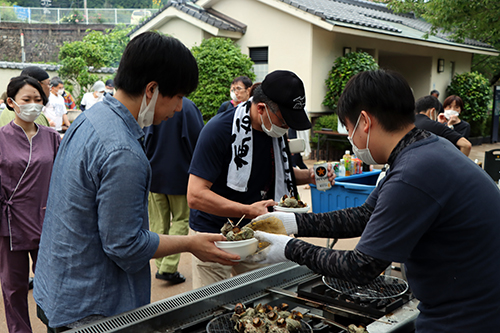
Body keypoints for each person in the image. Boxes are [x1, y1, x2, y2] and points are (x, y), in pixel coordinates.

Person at [247, 69, 500, 332]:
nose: (349, 138)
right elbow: (364, 216)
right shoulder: (425, 148)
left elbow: (361, 267)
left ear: (364, 121)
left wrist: (289, 249)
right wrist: (291, 222)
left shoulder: (413, 172)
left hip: (468, 318)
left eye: (347, 127)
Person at [33, 32, 239, 332]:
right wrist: (191, 243)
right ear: (151, 89)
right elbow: (126, 245)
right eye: (179, 97)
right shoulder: (123, 152)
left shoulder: (91, 118)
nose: (180, 108)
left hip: (58, 288)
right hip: (93, 308)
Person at [187, 70, 335, 289]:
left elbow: (277, 172)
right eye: (284, 121)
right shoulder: (219, 131)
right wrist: (247, 210)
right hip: (214, 234)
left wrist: (309, 176)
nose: (286, 128)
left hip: (257, 230)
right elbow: (196, 195)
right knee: (211, 305)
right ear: (262, 108)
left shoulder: (274, 132)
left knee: (263, 297)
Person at [0, 76, 61, 333]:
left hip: (46, 220)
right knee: (13, 288)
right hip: (9, 223)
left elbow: (64, 178)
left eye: (38, 100)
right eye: (27, 99)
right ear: (12, 102)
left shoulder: (52, 137)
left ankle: (57, 327)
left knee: (53, 283)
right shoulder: (1, 138)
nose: (33, 105)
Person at [144, 97, 204, 284]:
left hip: (154, 172)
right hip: (180, 174)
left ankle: (161, 263)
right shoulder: (187, 106)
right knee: (180, 219)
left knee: (158, 222)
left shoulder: (155, 103)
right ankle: (168, 267)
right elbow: (198, 141)